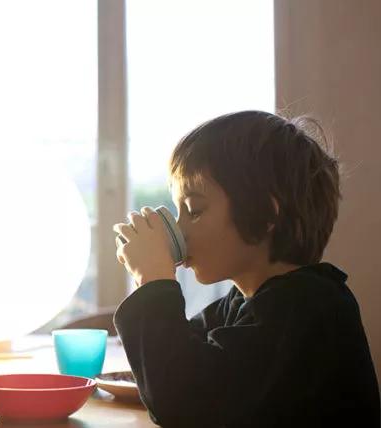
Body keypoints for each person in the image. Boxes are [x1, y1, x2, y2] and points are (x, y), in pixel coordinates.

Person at [112, 111, 379, 427]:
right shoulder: (243, 301)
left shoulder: (310, 308)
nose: (181, 230)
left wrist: (153, 278)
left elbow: (184, 402)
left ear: (265, 213)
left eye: (194, 210)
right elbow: (177, 360)